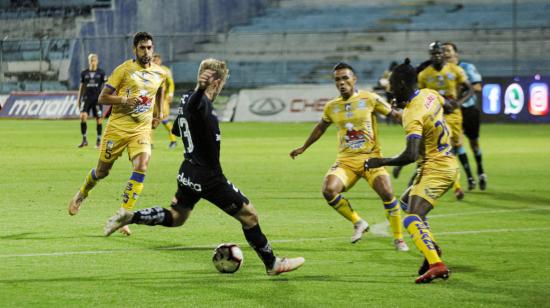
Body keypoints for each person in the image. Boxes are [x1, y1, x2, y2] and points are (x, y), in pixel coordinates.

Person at [103, 58, 305, 276]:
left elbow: (181, 128)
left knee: (177, 217)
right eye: (222, 83)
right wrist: (201, 89)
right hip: (208, 176)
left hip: (188, 170)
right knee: (250, 216)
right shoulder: (200, 101)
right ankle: (272, 263)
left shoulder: (187, 98)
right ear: (217, 83)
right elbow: (195, 107)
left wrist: (197, 95)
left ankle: (131, 216)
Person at [290, 62, 409, 251]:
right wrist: (304, 147)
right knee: (329, 190)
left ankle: (399, 238)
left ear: (354, 79)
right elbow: (321, 127)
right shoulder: (332, 106)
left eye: (345, 78)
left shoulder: (369, 98)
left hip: (371, 159)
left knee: (387, 193)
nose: (341, 82)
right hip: (346, 161)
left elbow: (395, 115)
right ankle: (358, 222)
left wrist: (417, 121)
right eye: (337, 79)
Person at [365, 58, 458, 283]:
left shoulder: (411, 114)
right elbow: (450, 106)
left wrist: (380, 162)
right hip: (440, 161)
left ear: (404, 85)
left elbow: (410, 155)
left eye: (394, 87)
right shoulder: (430, 93)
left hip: (437, 168)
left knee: (412, 218)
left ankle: (436, 264)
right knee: (407, 203)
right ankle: (431, 250)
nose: (392, 92)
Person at [68, 32, 166, 236]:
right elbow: (103, 98)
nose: (146, 51)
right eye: (142, 48)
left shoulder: (160, 73)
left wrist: (159, 113)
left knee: (142, 166)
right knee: (102, 171)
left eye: (149, 47)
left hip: (141, 130)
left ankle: (123, 214)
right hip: (117, 130)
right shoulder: (124, 70)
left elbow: (159, 90)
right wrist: (123, 101)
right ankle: (82, 193)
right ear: (135, 49)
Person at [417, 41, 474, 199]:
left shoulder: (455, 70)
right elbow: (421, 95)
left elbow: (470, 89)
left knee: (455, 146)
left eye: (438, 53)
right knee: (444, 147)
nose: (436, 56)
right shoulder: (424, 75)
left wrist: (458, 103)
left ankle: (465, 178)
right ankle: (456, 185)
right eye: (433, 54)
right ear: (430, 56)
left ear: (442, 54)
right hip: (435, 115)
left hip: (453, 114)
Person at [443, 42, 487, 190]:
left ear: (456, 53)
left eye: (448, 50)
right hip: (453, 112)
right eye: (443, 51)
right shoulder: (442, 71)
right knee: (457, 143)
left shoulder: (466, 67)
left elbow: (477, 86)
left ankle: (480, 170)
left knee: (474, 143)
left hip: (469, 110)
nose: (446, 53)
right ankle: (469, 178)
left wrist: (460, 96)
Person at [76, 53, 106, 148]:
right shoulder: (84, 73)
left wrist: (105, 97)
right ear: (89, 61)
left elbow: (105, 86)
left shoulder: (101, 73)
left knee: (99, 119)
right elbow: (82, 87)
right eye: (91, 60)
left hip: (97, 100)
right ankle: (84, 140)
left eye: (94, 60)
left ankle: (98, 141)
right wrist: (78, 99)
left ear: (97, 61)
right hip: (86, 98)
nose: (93, 62)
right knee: (83, 116)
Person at [152, 53, 178, 149]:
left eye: (157, 60)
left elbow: (171, 83)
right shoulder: (149, 70)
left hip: (162, 100)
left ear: (160, 61)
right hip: (151, 100)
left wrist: (170, 94)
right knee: (150, 121)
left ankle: (173, 140)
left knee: (164, 119)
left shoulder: (165, 70)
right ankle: (150, 143)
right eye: (153, 60)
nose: (155, 62)